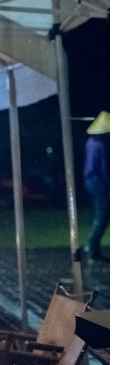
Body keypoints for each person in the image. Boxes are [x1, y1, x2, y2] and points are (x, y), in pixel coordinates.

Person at [85, 111, 109, 263]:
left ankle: (93, 247)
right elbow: (104, 168)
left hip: (89, 180)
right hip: (98, 181)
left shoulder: (90, 142)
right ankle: (92, 248)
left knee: (101, 215)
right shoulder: (101, 145)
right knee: (102, 216)